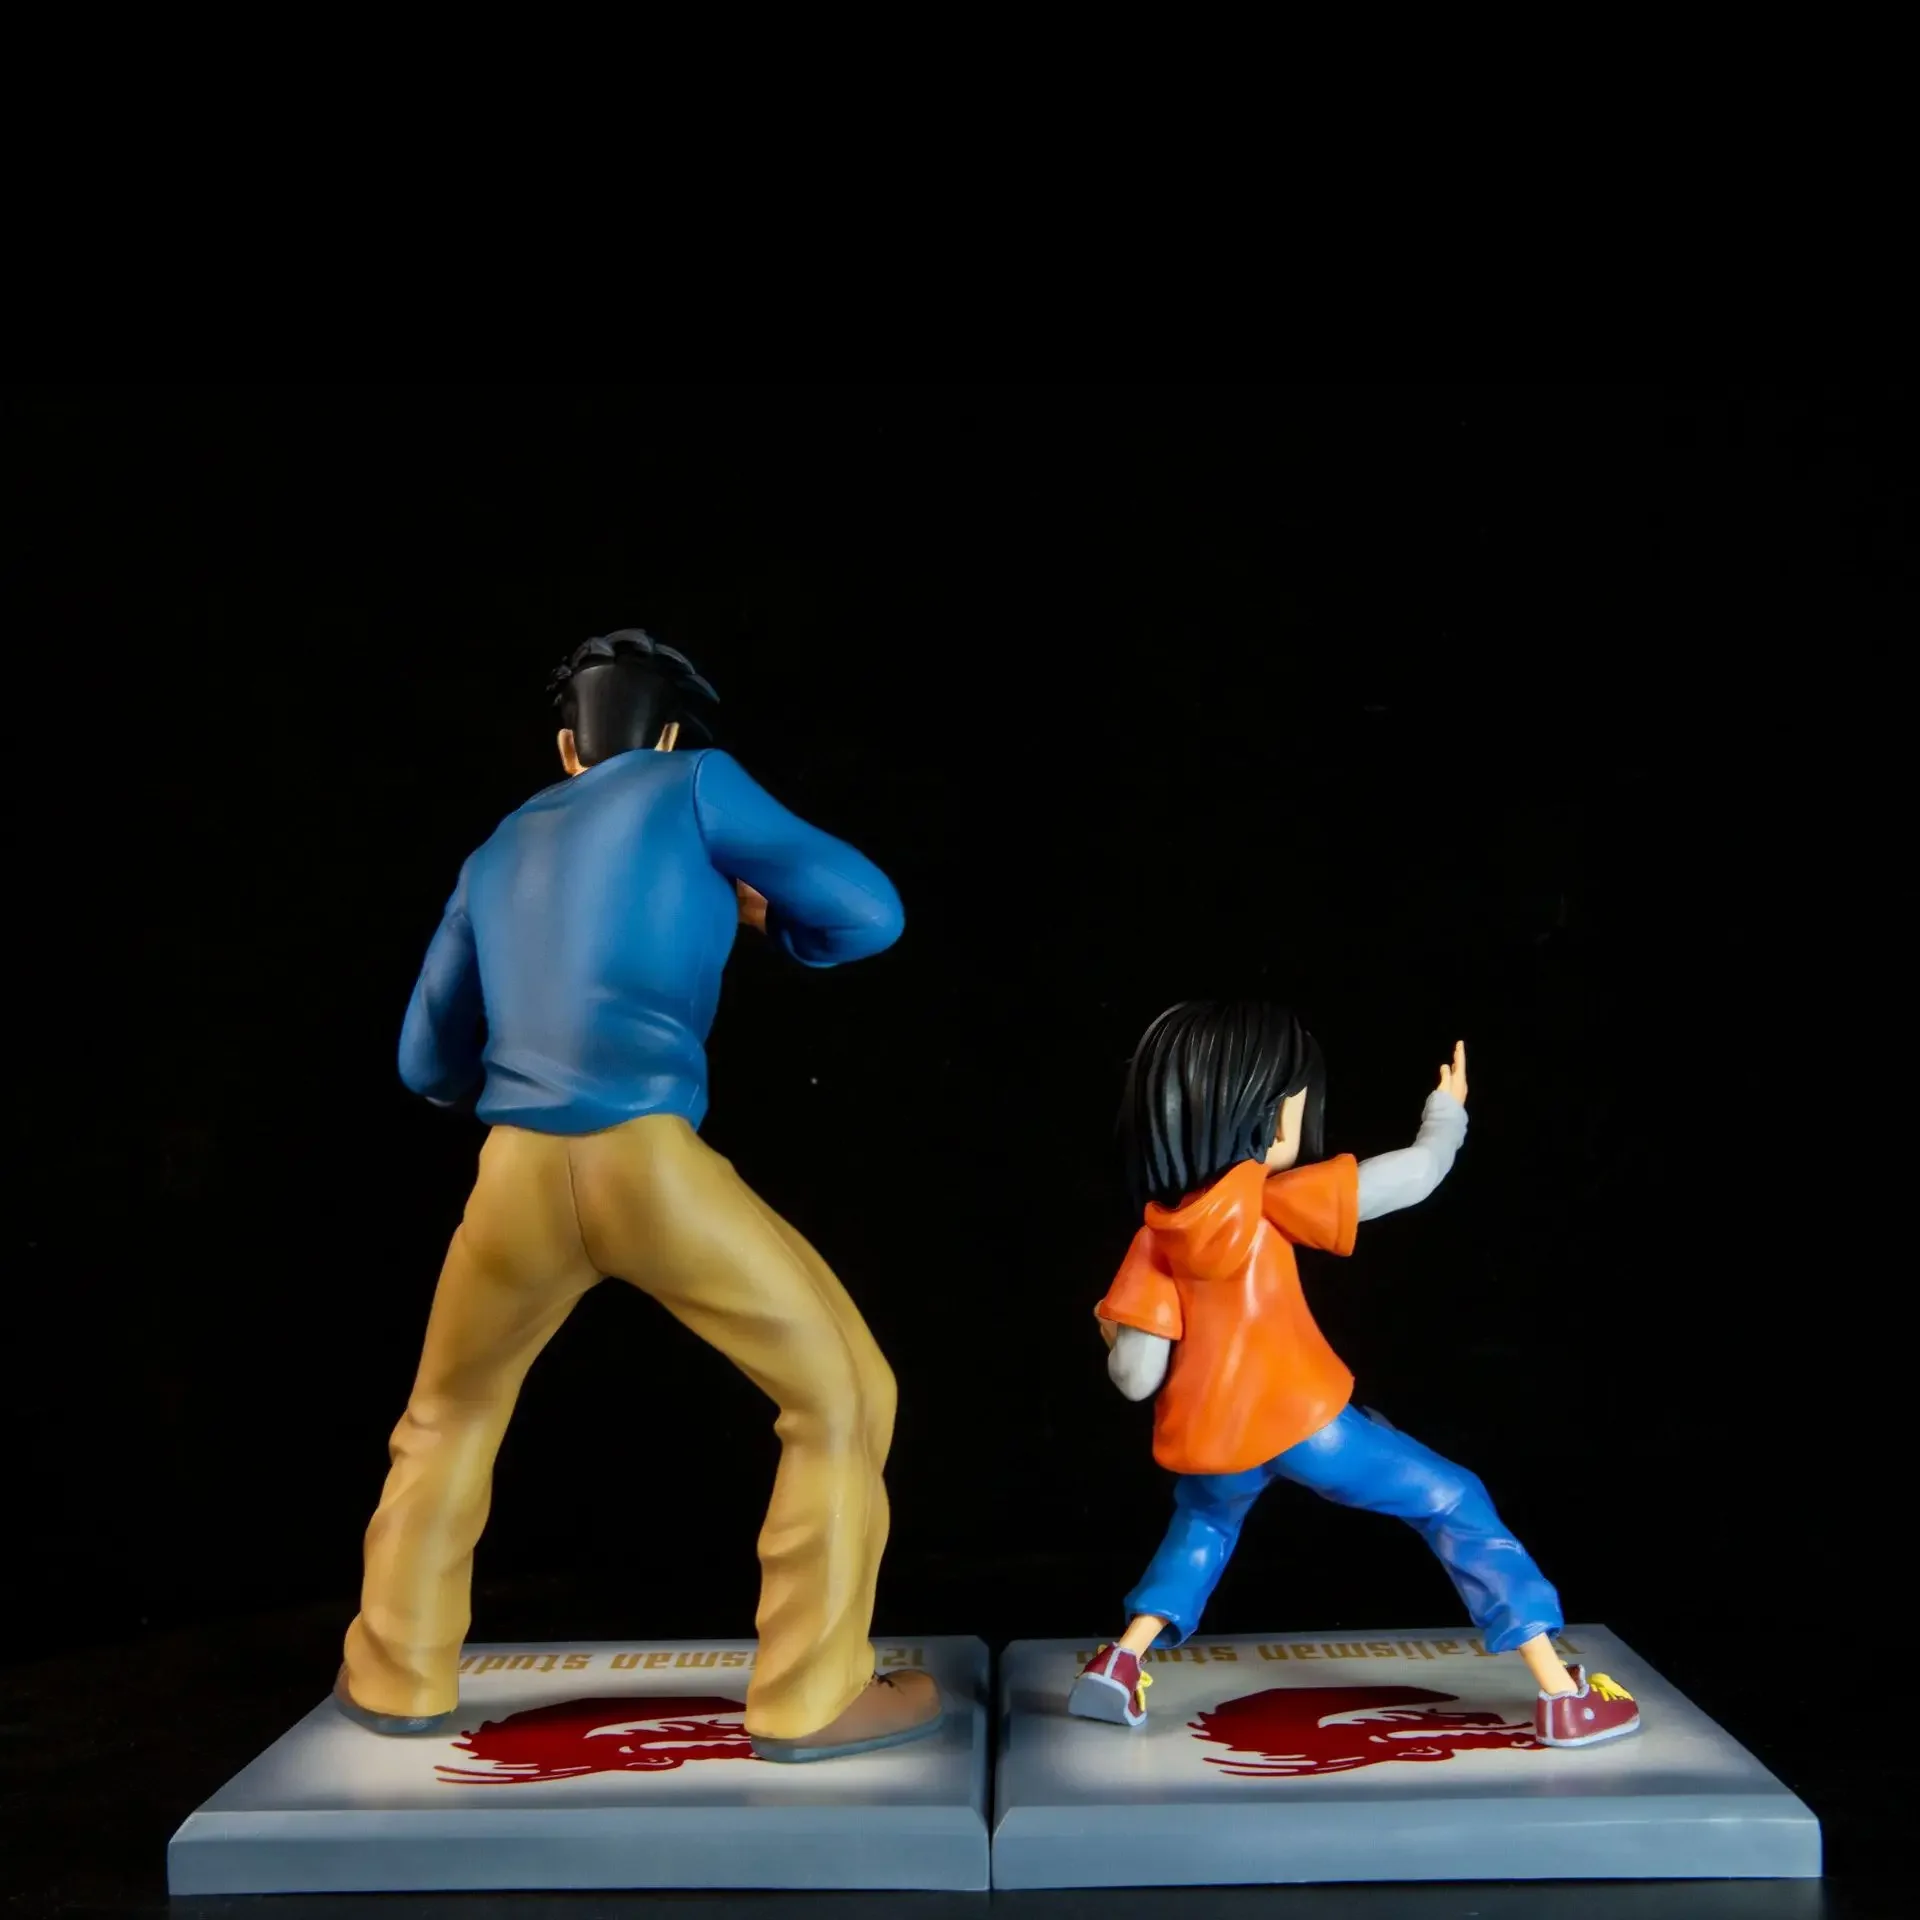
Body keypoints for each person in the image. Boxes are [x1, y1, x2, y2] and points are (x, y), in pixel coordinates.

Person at [336, 629, 942, 1764]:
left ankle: (394, 1673)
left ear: (568, 748)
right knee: (845, 1393)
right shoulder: (695, 782)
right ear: (668, 734)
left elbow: (424, 1060)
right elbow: (871, 912)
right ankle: (812, 1695)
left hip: (512, 1177)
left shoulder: (498, 845)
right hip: (647, 1166)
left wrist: (520, 1065)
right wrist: (770, 922)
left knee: (447, 1413)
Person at [1071, 1002, 1639, 1751]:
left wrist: (1112, 1326)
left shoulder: (1154, 1240)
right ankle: (1564, 1696)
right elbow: (1418, 1173)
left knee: (1204, 1524)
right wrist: (1447, 1112)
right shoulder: (1272, 1199)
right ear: (1267, 1115)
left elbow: (1135, 1377)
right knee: (1453, 1500)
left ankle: (1120, 1663)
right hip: (1308, 1426)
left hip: (1218, 1442)